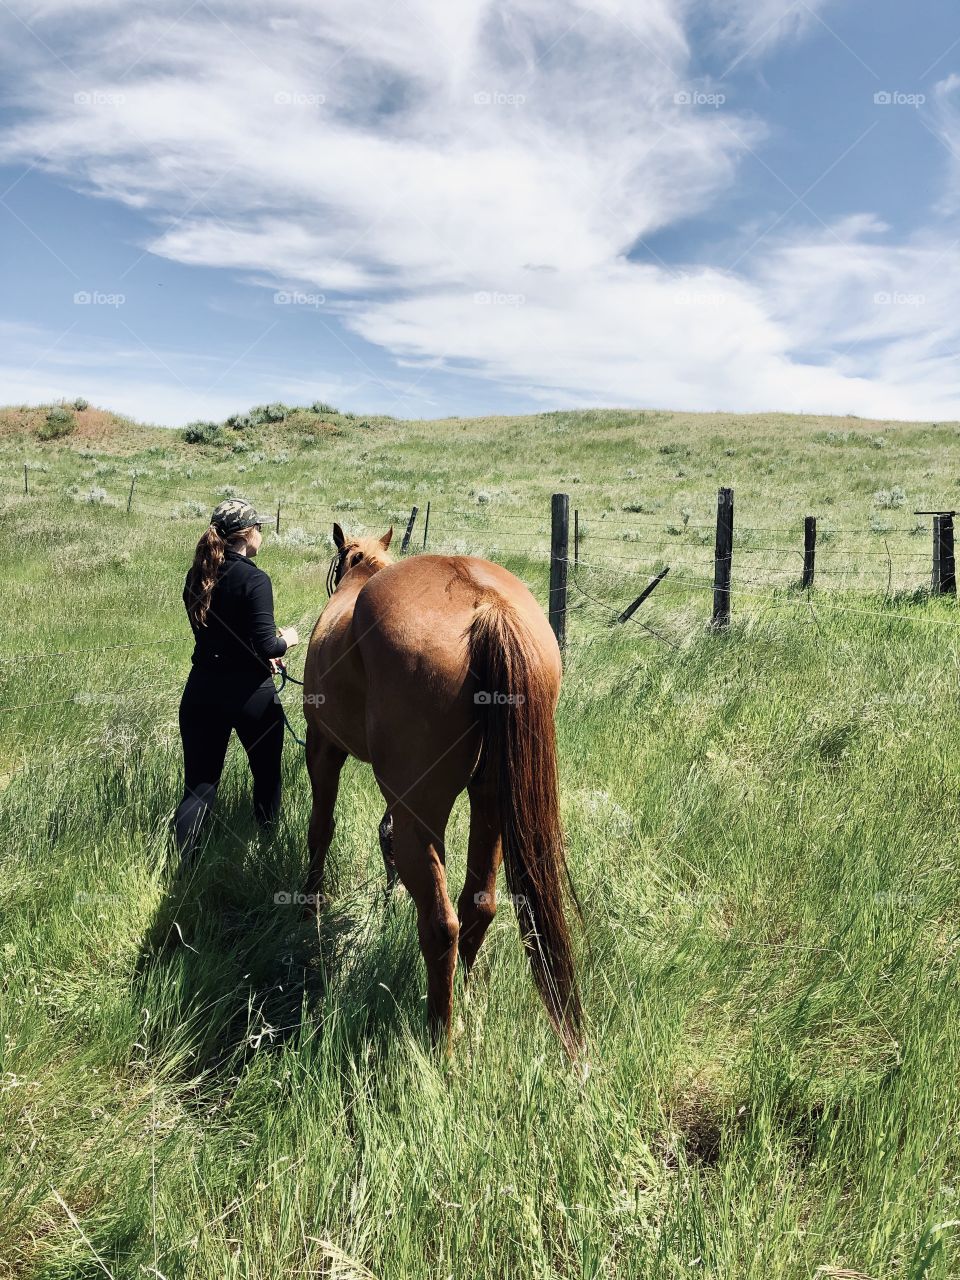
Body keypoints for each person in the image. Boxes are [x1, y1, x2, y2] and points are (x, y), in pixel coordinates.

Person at [173, 498, 300, 865]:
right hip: (250, 696)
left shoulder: (197, 574)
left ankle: (185, 867)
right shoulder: (255, 579)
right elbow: (266, 643)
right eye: (259, 528)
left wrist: (259, 652)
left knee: (199, 786)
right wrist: (287, 640)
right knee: (266, 777)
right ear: (247, 534)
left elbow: (214, 637)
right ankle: (267, 849)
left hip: (202, 690)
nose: (262, 534)